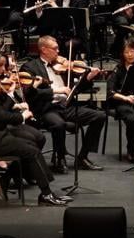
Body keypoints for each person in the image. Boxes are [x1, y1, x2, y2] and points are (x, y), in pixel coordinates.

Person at [0, 55, 67, 206]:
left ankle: (8, 180)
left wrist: (11, 100)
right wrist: (22, 116)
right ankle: (46, 194)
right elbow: (2, 116)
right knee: (32, 151)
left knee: (31, 144)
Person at [21, 36, 106, 172]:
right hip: (47, 109)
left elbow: (75, 88)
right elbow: (30, 93)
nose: (58, 51)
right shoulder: (30, 67)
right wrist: (55, 90)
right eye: (55, 48)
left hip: (66, 107)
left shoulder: (62, 66)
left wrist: (88, 77)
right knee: (58, 124)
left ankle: (82, 157)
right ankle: (59, 158)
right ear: (43, 49)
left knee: (100, 116)